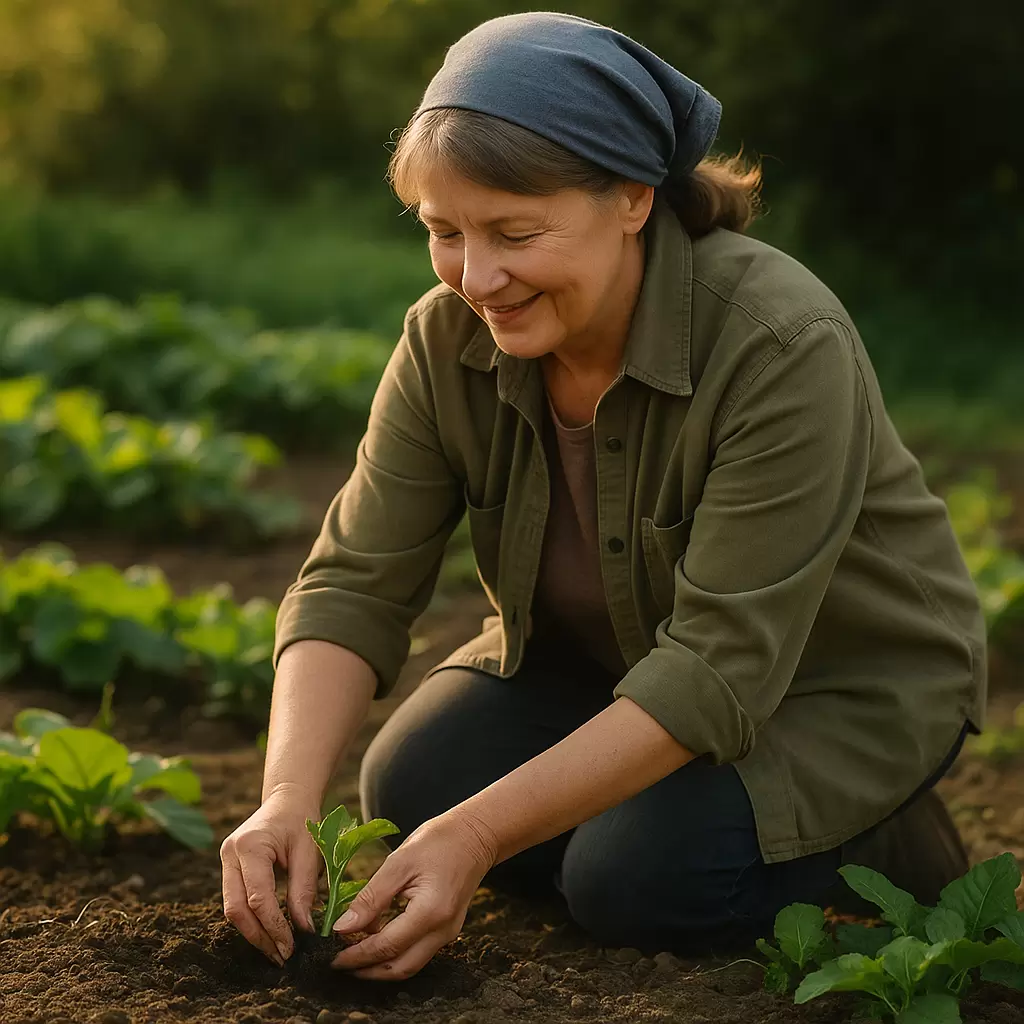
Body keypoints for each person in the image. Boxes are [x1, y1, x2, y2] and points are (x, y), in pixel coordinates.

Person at [220, 12, 986, 981]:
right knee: (413, 780)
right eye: (444, 233)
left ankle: (879, 839)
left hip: (832, 688)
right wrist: (282, 798)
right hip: (616, 661)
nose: (478, 277)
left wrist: (484, 834)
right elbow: (353, 584)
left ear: (631, 197)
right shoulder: (443, 340)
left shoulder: (777, 343)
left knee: (637, 882)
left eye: (514, 232)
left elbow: (716, 669)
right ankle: (651, 821)